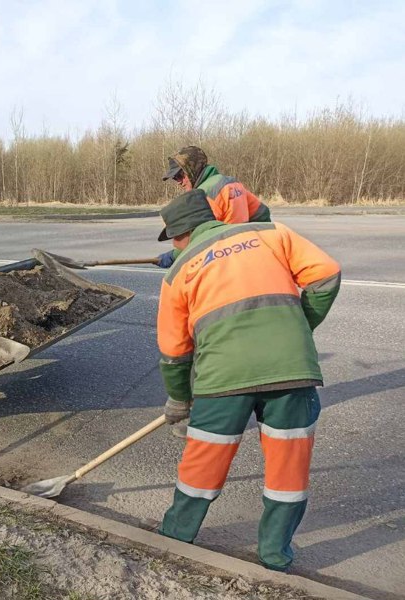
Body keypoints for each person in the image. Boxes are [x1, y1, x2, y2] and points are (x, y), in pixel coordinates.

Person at [155, 188, 340, 572]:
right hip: (292, 371)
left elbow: (175, 352)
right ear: (212, 217)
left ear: (179, 236)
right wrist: (300, 327)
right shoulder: (272, 233)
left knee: (201, 467)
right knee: (288, 471)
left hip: (222, 380)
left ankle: (173, 540)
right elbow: (326, 276)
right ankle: (274, 555)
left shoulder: (178, 272)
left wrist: (179, 400)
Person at [157, 145, 271, 268]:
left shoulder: (203, 195)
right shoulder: (231, 182)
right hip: (246, 249)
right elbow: (262, 213)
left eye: (180, 175)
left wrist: (174, 256)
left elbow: (199, 238)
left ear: (192, 170)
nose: (179, 182)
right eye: (175, 178)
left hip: (227, 255)